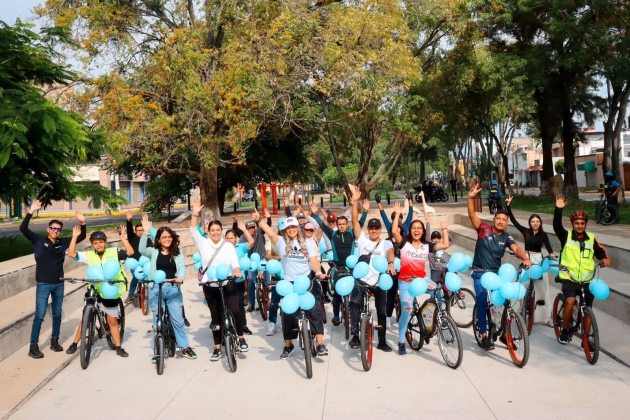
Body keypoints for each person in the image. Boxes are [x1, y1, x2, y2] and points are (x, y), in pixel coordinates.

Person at [468, 184, 531, 350]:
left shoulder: (506, 237)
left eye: (504, 220)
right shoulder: (483, 230)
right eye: (498, 219)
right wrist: (471, 198)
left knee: (504, 303)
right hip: (479, 273)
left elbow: (516, 248)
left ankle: (503, 333)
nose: (501, 222)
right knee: (482, 302)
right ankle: (484, 335)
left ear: (506, 222)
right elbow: (472, 215)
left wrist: (525, 258)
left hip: (496, 275)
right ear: (494, 219)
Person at [258, 211, 329, 359]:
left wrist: (317, 272)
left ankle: (320, 343)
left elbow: (313, 261)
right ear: (285, 230)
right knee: (287, 314)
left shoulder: (307, 244)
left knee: (314, 309)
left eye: (293, 227)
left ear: (298, 227)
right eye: (288, 228)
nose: (291, 230)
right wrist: (260, 220)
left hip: (306, 281)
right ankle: (288, 345)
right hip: (289, 283)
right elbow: (270, 233)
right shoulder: (282, 242)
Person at [20, 200, 86, 359]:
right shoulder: (39, 240)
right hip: (43, 283)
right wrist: (31, 211)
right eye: (53, 228)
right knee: (40, 315)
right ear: (48, 229)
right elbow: (23, 228)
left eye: (58, 229)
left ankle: (54, 341)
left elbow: (81, 236)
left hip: (58, 283)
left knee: (57, 314)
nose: (56, 231)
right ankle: (33, 346)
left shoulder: (63, 243)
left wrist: (83, 222)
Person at [189, 199, 246, 360]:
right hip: (210, 285)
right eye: (212, 230)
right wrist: (195, 213)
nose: (215, 232)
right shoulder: (203, 243)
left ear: (221, 230)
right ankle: (217, 348)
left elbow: (234, 262)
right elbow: (193, 230)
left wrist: (237, 272)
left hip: (228, 283)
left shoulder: (227, 245)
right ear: (207, 231)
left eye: (217, 230)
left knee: (235, 310)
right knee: (216, 318)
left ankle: (241, 338)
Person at [391, 201, 450, 355]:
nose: (416, 230)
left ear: (423, 231)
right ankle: (402, 340)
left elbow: (445, 245)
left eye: (419, 228)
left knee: (436, 292)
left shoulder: (427, 245)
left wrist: (444, 229)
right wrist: (397, 214)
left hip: (422, 279)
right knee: (406, 310)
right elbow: (394, 232)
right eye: (414, 228)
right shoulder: (404, 243)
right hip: (405, 281)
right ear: (410, 230)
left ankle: (434, 320)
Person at [65, 226, 134, 357]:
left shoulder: (114, 252)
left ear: (105, 242)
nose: (98, 245)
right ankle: (74, 344)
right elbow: (71, 254)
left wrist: (122, 237)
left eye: (101, 242)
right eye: (95, 243)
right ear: (92, 245)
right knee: (86, 317)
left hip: (111, 290)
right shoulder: (89, 255)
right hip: (96, 288)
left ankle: (118, 347)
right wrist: (74, 237)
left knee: (112, 321)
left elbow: (130, 252)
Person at [553, 195, 610, 345]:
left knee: (588, 308)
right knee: (570, 301)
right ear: (572, 224)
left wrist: (604, 258)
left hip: (587, 279)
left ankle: (587, 339)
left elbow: (600, 251)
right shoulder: (566, 236)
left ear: (585, 224)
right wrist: (558, 209)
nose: (579, 225)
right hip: (569, 278)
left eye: (582, 223)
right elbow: (556, 226)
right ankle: (565, 330)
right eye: (577, 223)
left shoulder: (591, 238)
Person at [140, 214, 197, 362]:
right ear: (158, 239)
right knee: (157, 322)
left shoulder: (177, 251)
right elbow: (141, 249)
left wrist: (180, 278)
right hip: (156, 289)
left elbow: (181, 268)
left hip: (173, 289)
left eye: (169, 237)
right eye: (164, 237)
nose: (167, 239)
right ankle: (157, 351)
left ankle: (184, 347)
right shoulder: (153, 251)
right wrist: (146, 232)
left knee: (178, 321)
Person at [349, 186, 396, 352]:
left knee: (382, 310)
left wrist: (390, 263)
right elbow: (355, 222)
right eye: (371, 228)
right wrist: (355, 202)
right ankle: (355, 336)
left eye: (377, 229)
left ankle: (382, 340)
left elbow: (390, 253)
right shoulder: (362, 239)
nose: (374, 231)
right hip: (361, 279)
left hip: (378, 280)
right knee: (354, 304)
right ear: (368, 230)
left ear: (380, 230)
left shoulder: (386, 243)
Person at [310, 200, 367, 326]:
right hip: (337, 268)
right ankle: (336, 315)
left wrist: (365, 211)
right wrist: (315, 215)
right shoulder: (333, 234)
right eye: (339, 224)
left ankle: (357, 312)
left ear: (347, 225)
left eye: (343, 224)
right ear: (336, 225)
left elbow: (360, 223)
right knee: (336, 292)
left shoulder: (352, 234)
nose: (341, 226)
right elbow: (322, 225)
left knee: (356, 291)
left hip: (351, 267)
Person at [506, 196, 556, 324]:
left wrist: (551, 254)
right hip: (527, 259)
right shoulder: (526, 232)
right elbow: (514, 221)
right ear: (530, 223)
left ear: (540, 223)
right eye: (533, 221)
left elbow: (550, 248)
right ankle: (522, 311)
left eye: (537, 221)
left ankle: (547, 317)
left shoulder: (544, 235)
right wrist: (508, 206)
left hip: (539, 261)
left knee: (543, 287)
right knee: (523, 285)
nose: (535, 223)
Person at [125, 210, 153, 304]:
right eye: (138, 230)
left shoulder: (147, 239)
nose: (141, 232)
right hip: (134, 264)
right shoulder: (132, 237)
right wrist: (129, 220)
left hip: (145, 264)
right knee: (136, 277)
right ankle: (131, 295)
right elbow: (129, 230)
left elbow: (152, 250)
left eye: (142, 230)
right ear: (135, 231)